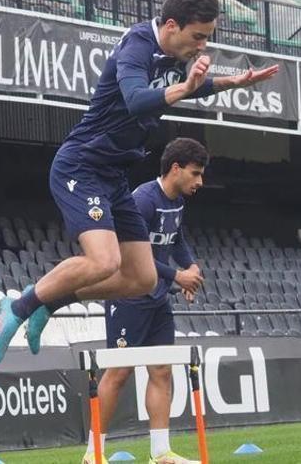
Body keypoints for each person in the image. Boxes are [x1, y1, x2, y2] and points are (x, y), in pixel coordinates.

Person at [0, 0, 280, 364]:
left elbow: (185, 88)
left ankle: (48, 302)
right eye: (199, 36)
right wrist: (185, 87)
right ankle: (17, 307)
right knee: (104, 262)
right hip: (82, 166)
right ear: (171, 25)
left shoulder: (175, 52)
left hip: (114, 176)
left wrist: (231, 83)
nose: (203, 46)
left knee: (143, 279)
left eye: (208, 37)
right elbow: (137, 99)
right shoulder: (138, 44)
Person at [86, 138, 207, 464]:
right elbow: (129, 255)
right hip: (128, 297)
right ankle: (92, 455)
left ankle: (160, 453)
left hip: (157, 300)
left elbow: (175, 239)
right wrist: (175, 276)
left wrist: (190, 266)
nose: (200, 182)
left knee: (161, 371)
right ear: (176, 168)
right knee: (118, 373)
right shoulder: (142, 201)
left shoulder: (177, 202)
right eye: (195, 174)